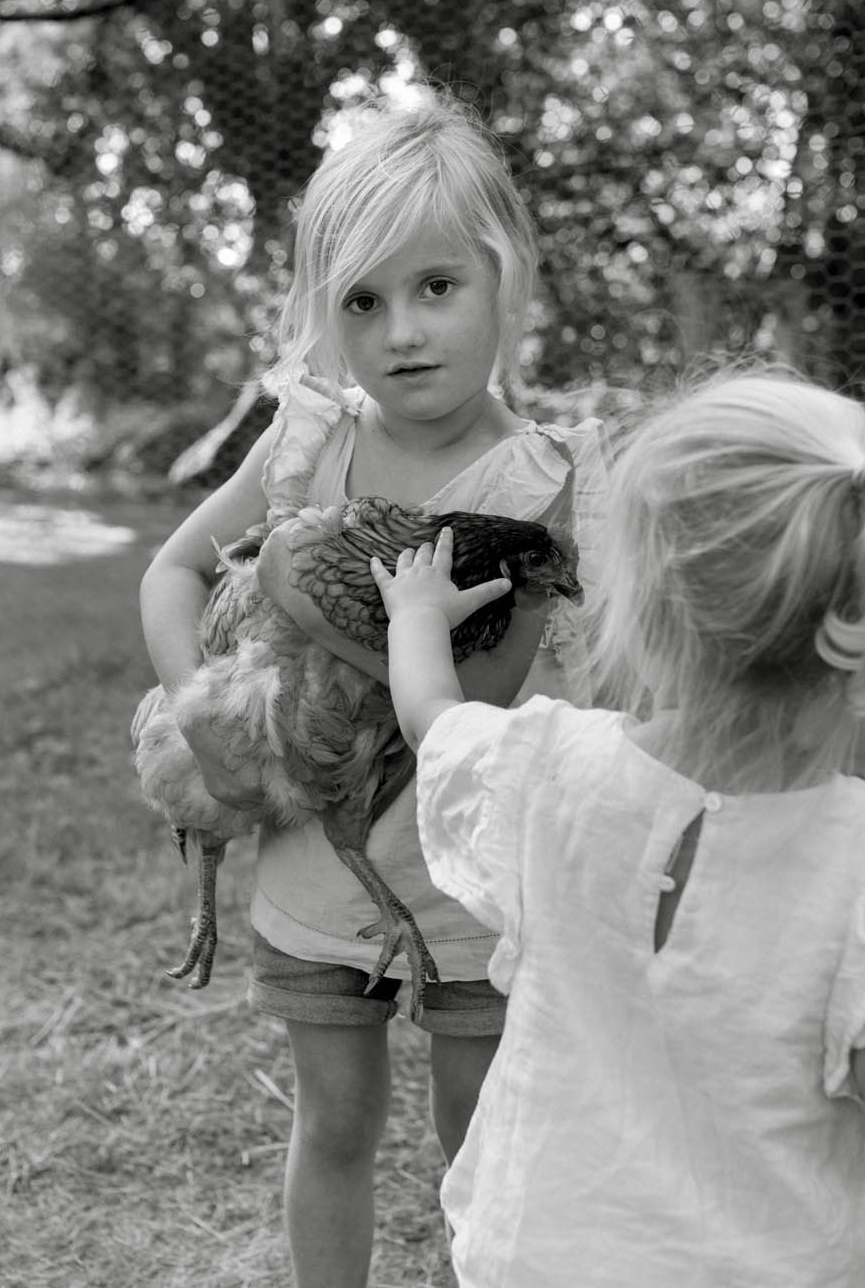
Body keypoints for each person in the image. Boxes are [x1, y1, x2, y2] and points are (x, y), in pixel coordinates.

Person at [369, 371, 865, 1287]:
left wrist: (417, 616)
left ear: (644, 600)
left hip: (547, 1243)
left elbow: (433, 718)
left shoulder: (543, 768)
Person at [138, 87, 604, 1287]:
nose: (401, 330)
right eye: (362, 300)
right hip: (314, 869)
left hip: (468, 884)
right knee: (333, 1124)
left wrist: (320, 612)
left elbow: (481, 700)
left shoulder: (532, 481)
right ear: (323, 316)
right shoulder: (308, 445)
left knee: (478, 1142)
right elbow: (173, 570)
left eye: (436, 287)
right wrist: (215, 719)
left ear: (506, 279)